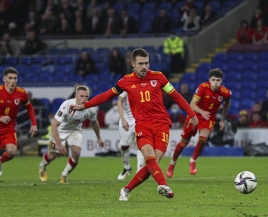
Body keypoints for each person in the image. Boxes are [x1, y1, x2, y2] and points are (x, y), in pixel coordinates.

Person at [69, 48, 198, 201]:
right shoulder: (125, 81)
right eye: (141, 64)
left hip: (162, 124)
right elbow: (106, 96)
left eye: (147, 63)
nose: (144, 67)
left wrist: (192, 114)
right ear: (133, 64)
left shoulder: (159, 77)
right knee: (150, 159)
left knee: (152, 165)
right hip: (142, 126)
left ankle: (126, 189)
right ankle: (163, 185)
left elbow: (176, 97)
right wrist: (84, 105)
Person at [166, 68, 231, 178]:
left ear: (221, 81)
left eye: (218, 80)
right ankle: (172, 163)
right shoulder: (203, 87)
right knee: (183, 143)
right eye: (213, 80)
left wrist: (223, 120)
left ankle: (193, 160)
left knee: (202, 139)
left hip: (208, 118)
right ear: (209, 80)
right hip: (194, 115)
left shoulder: (225, 92)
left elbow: (227, 104)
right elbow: (192, 105)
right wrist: (202, 112)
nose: (215, 82)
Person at [38, 85, 104, 183]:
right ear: (76, 96)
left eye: (86, 96)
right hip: (60, 130)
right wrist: (60, 145)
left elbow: (94, 122)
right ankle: (42, 166)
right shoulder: (66, 105)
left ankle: (64, 175)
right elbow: (54, 125)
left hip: (75, 130)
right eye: (81, 96)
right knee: (52, 156)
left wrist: (99, 138)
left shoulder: (91, 108)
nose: (84, 99)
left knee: (76, 153)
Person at [0, 67, 38, 176]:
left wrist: (34, 123)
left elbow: (29, 107)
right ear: (4, 79)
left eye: (15, 78)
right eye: (10, 78)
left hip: (8, 128)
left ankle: (0, 161)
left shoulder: (21, 93)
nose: (12, 81)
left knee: (11, 152)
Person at [117, 91, 144, 180]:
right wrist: (122, 119)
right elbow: (119, 101)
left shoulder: (143, 84)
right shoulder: (126, 85)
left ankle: (139, 172)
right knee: (124, 146)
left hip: (140, 119)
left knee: (140, 145)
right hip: (126, 120)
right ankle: (127, 167)